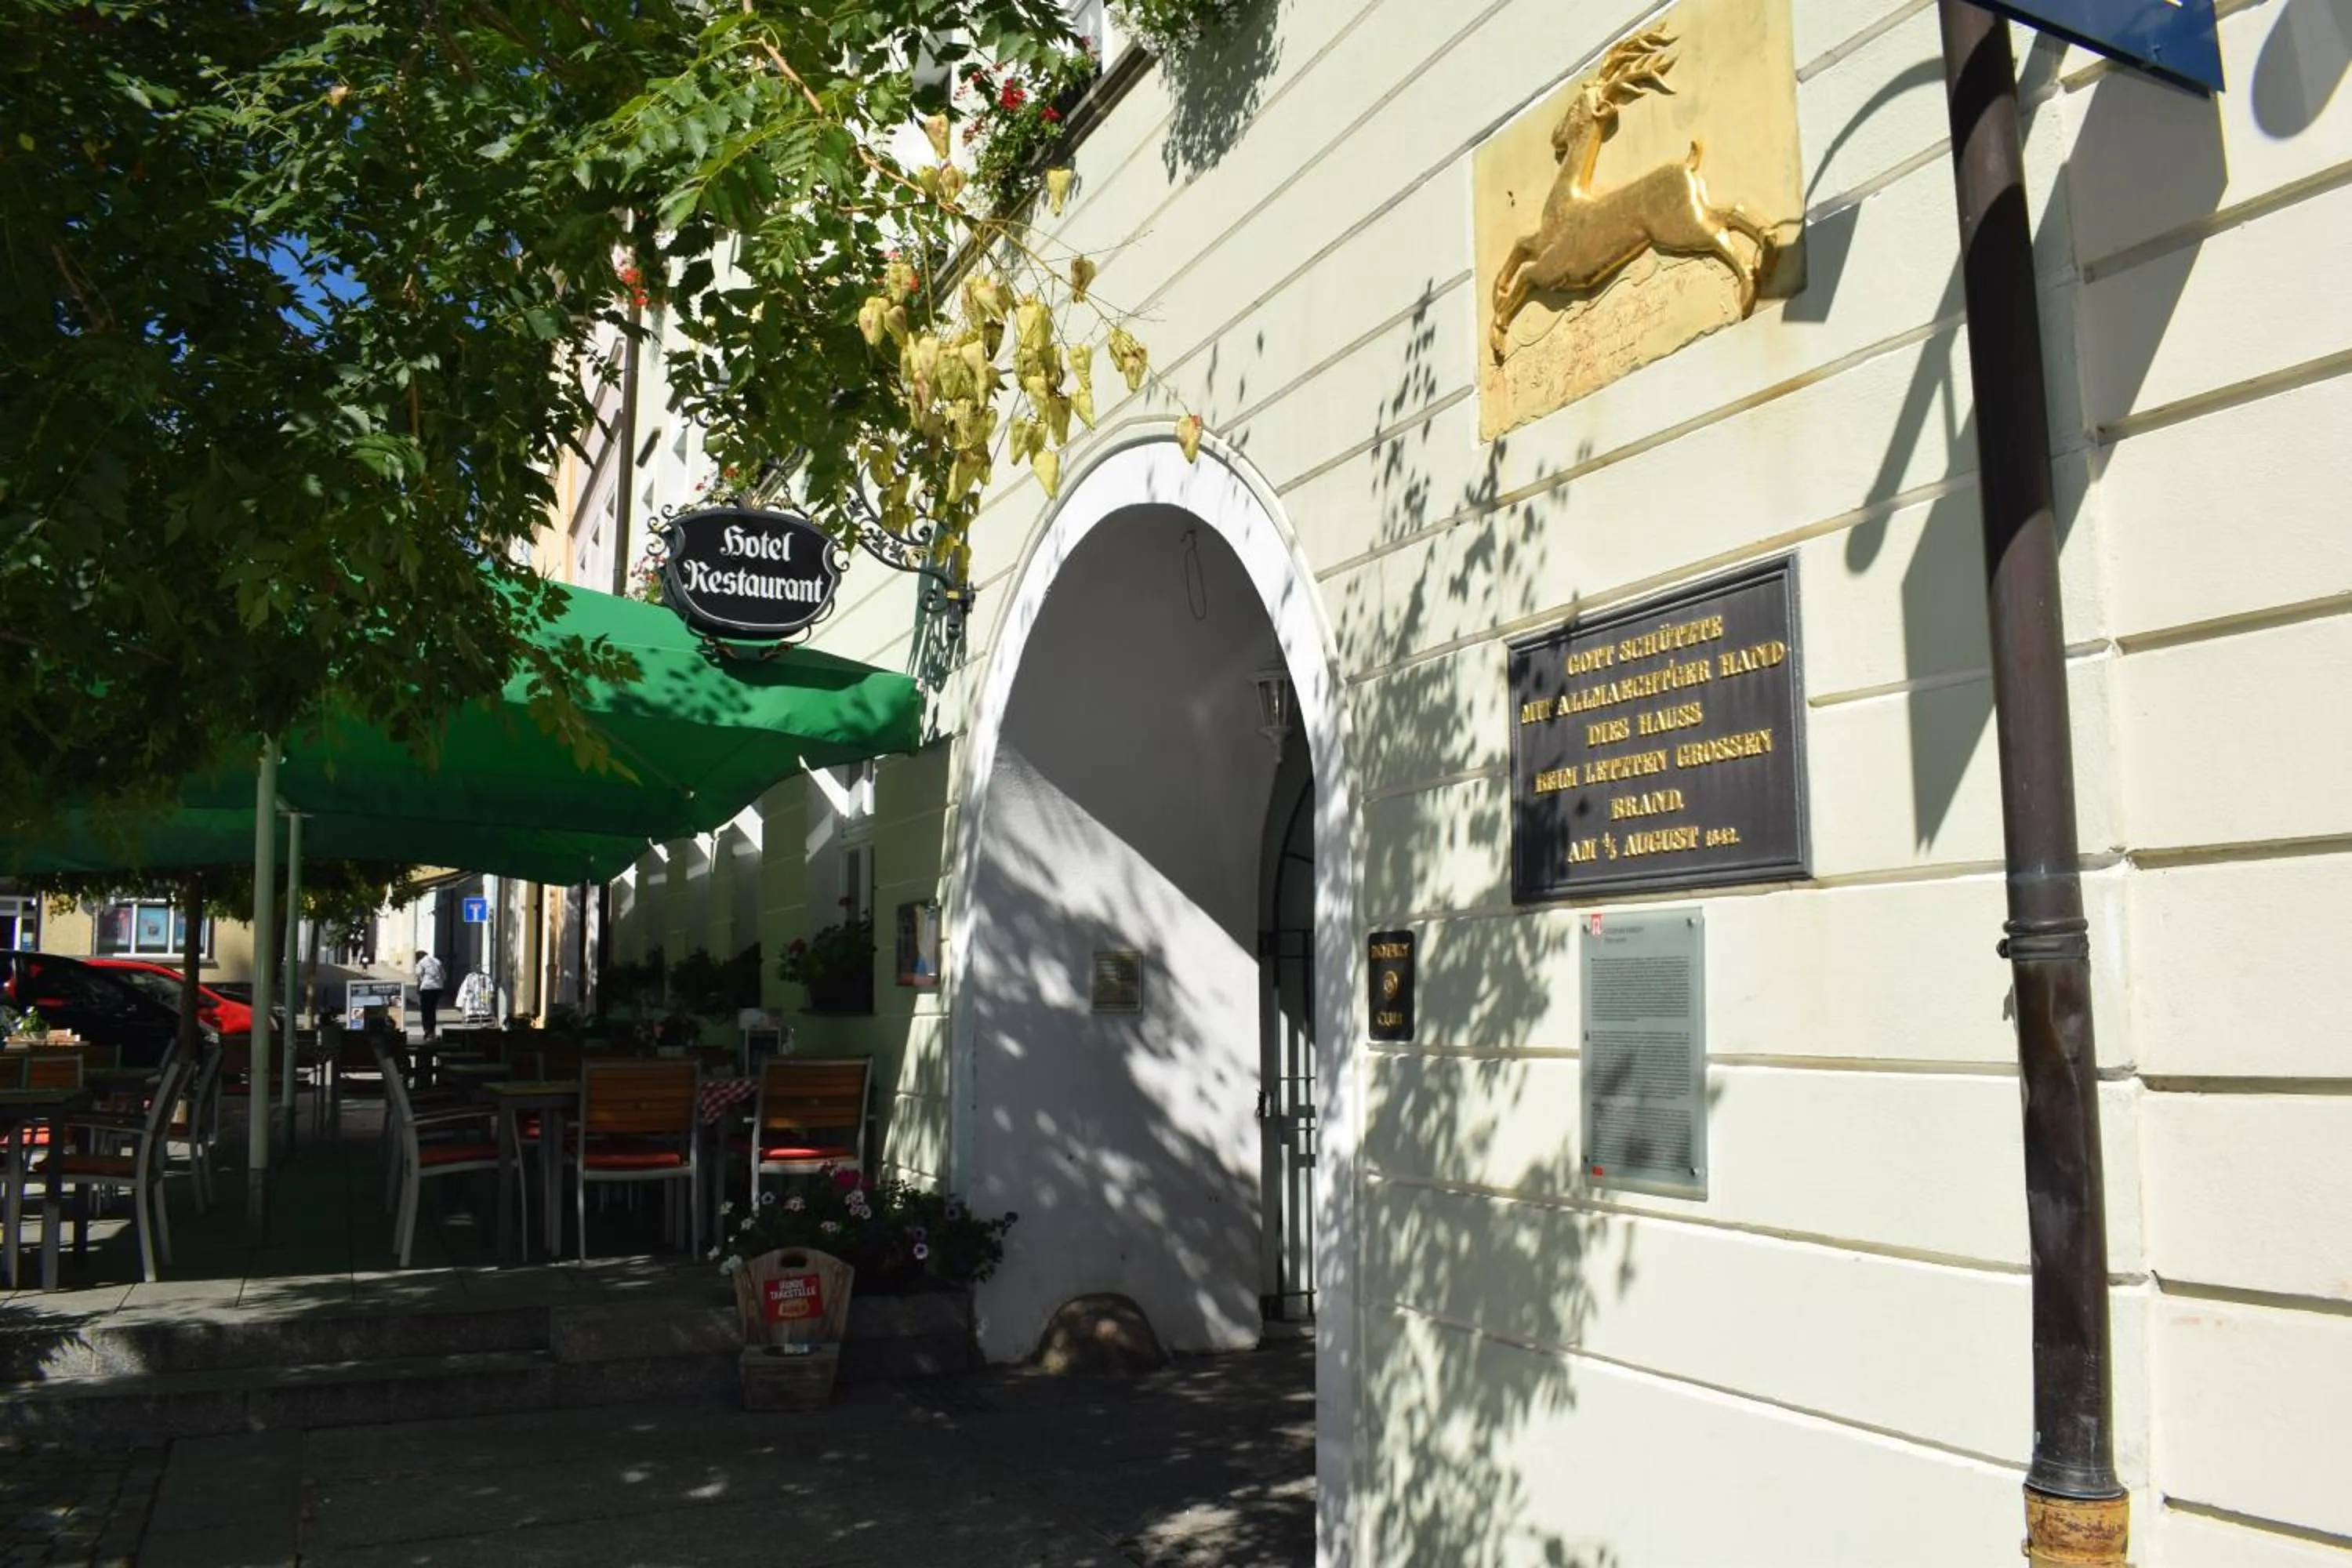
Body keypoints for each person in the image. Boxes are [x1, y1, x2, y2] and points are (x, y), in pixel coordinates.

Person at [414, 949, 446, 1038]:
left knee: (425, 1010)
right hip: (438, 988)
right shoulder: (437, 961)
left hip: (426, 988)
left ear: (418, 957)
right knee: (432, 1009)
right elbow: (444, 976)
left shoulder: (421, 963)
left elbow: (419, 975)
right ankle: (432, 1029)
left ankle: (427, 1029)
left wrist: (418, 987)